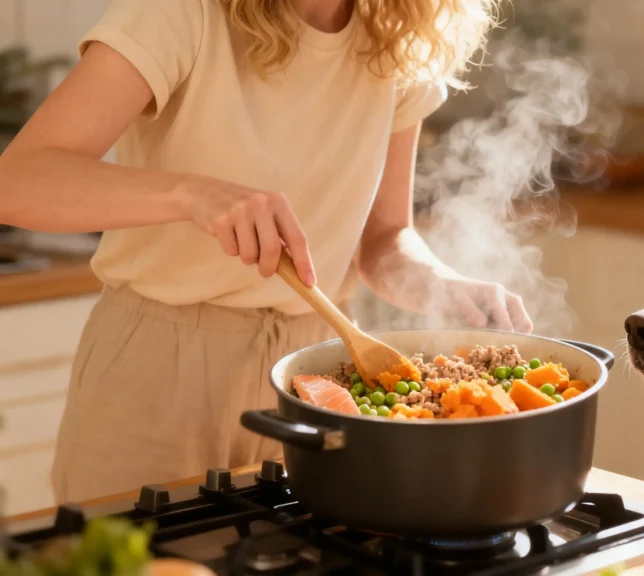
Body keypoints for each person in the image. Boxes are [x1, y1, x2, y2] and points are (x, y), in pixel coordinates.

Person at [0, 0, 533, 503]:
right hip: (161, 370)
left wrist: (440, 285)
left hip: (321, 375)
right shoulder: (183, 13)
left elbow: (383, 239)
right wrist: (191, 194)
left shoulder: (397, 33)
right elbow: (17, 183)